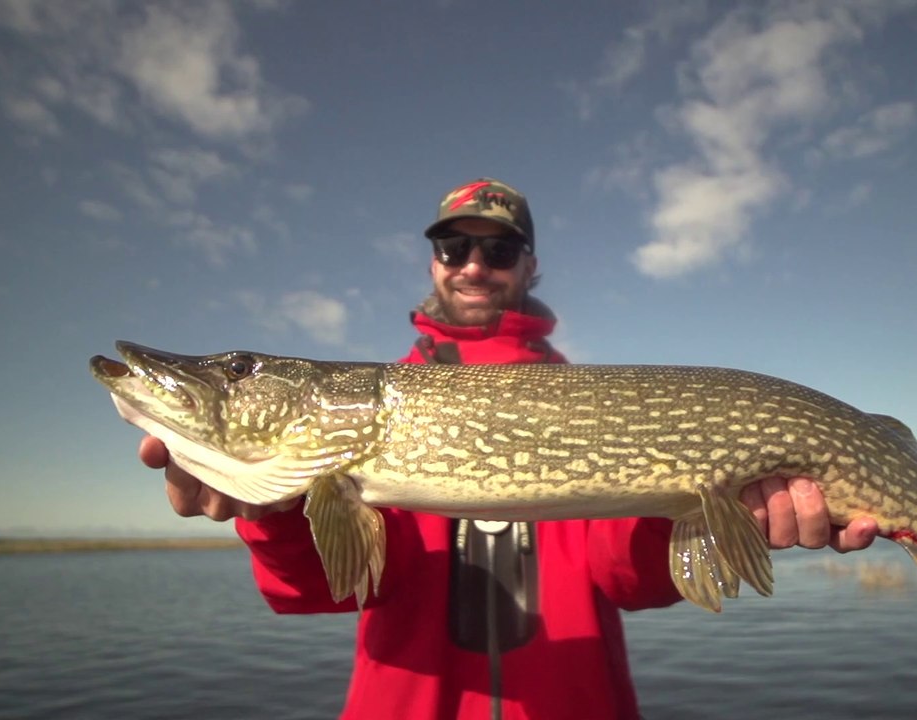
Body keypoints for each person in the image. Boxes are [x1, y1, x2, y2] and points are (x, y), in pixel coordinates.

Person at [139, 178, 879, 719]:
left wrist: (720, 510)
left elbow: (623, 575)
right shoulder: (381, 404)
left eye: (498, 249)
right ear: (433, 263)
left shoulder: (583, 396)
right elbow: (335, 585)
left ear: (528, 267)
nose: (473, 263)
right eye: (453, 246)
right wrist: (270, 505)